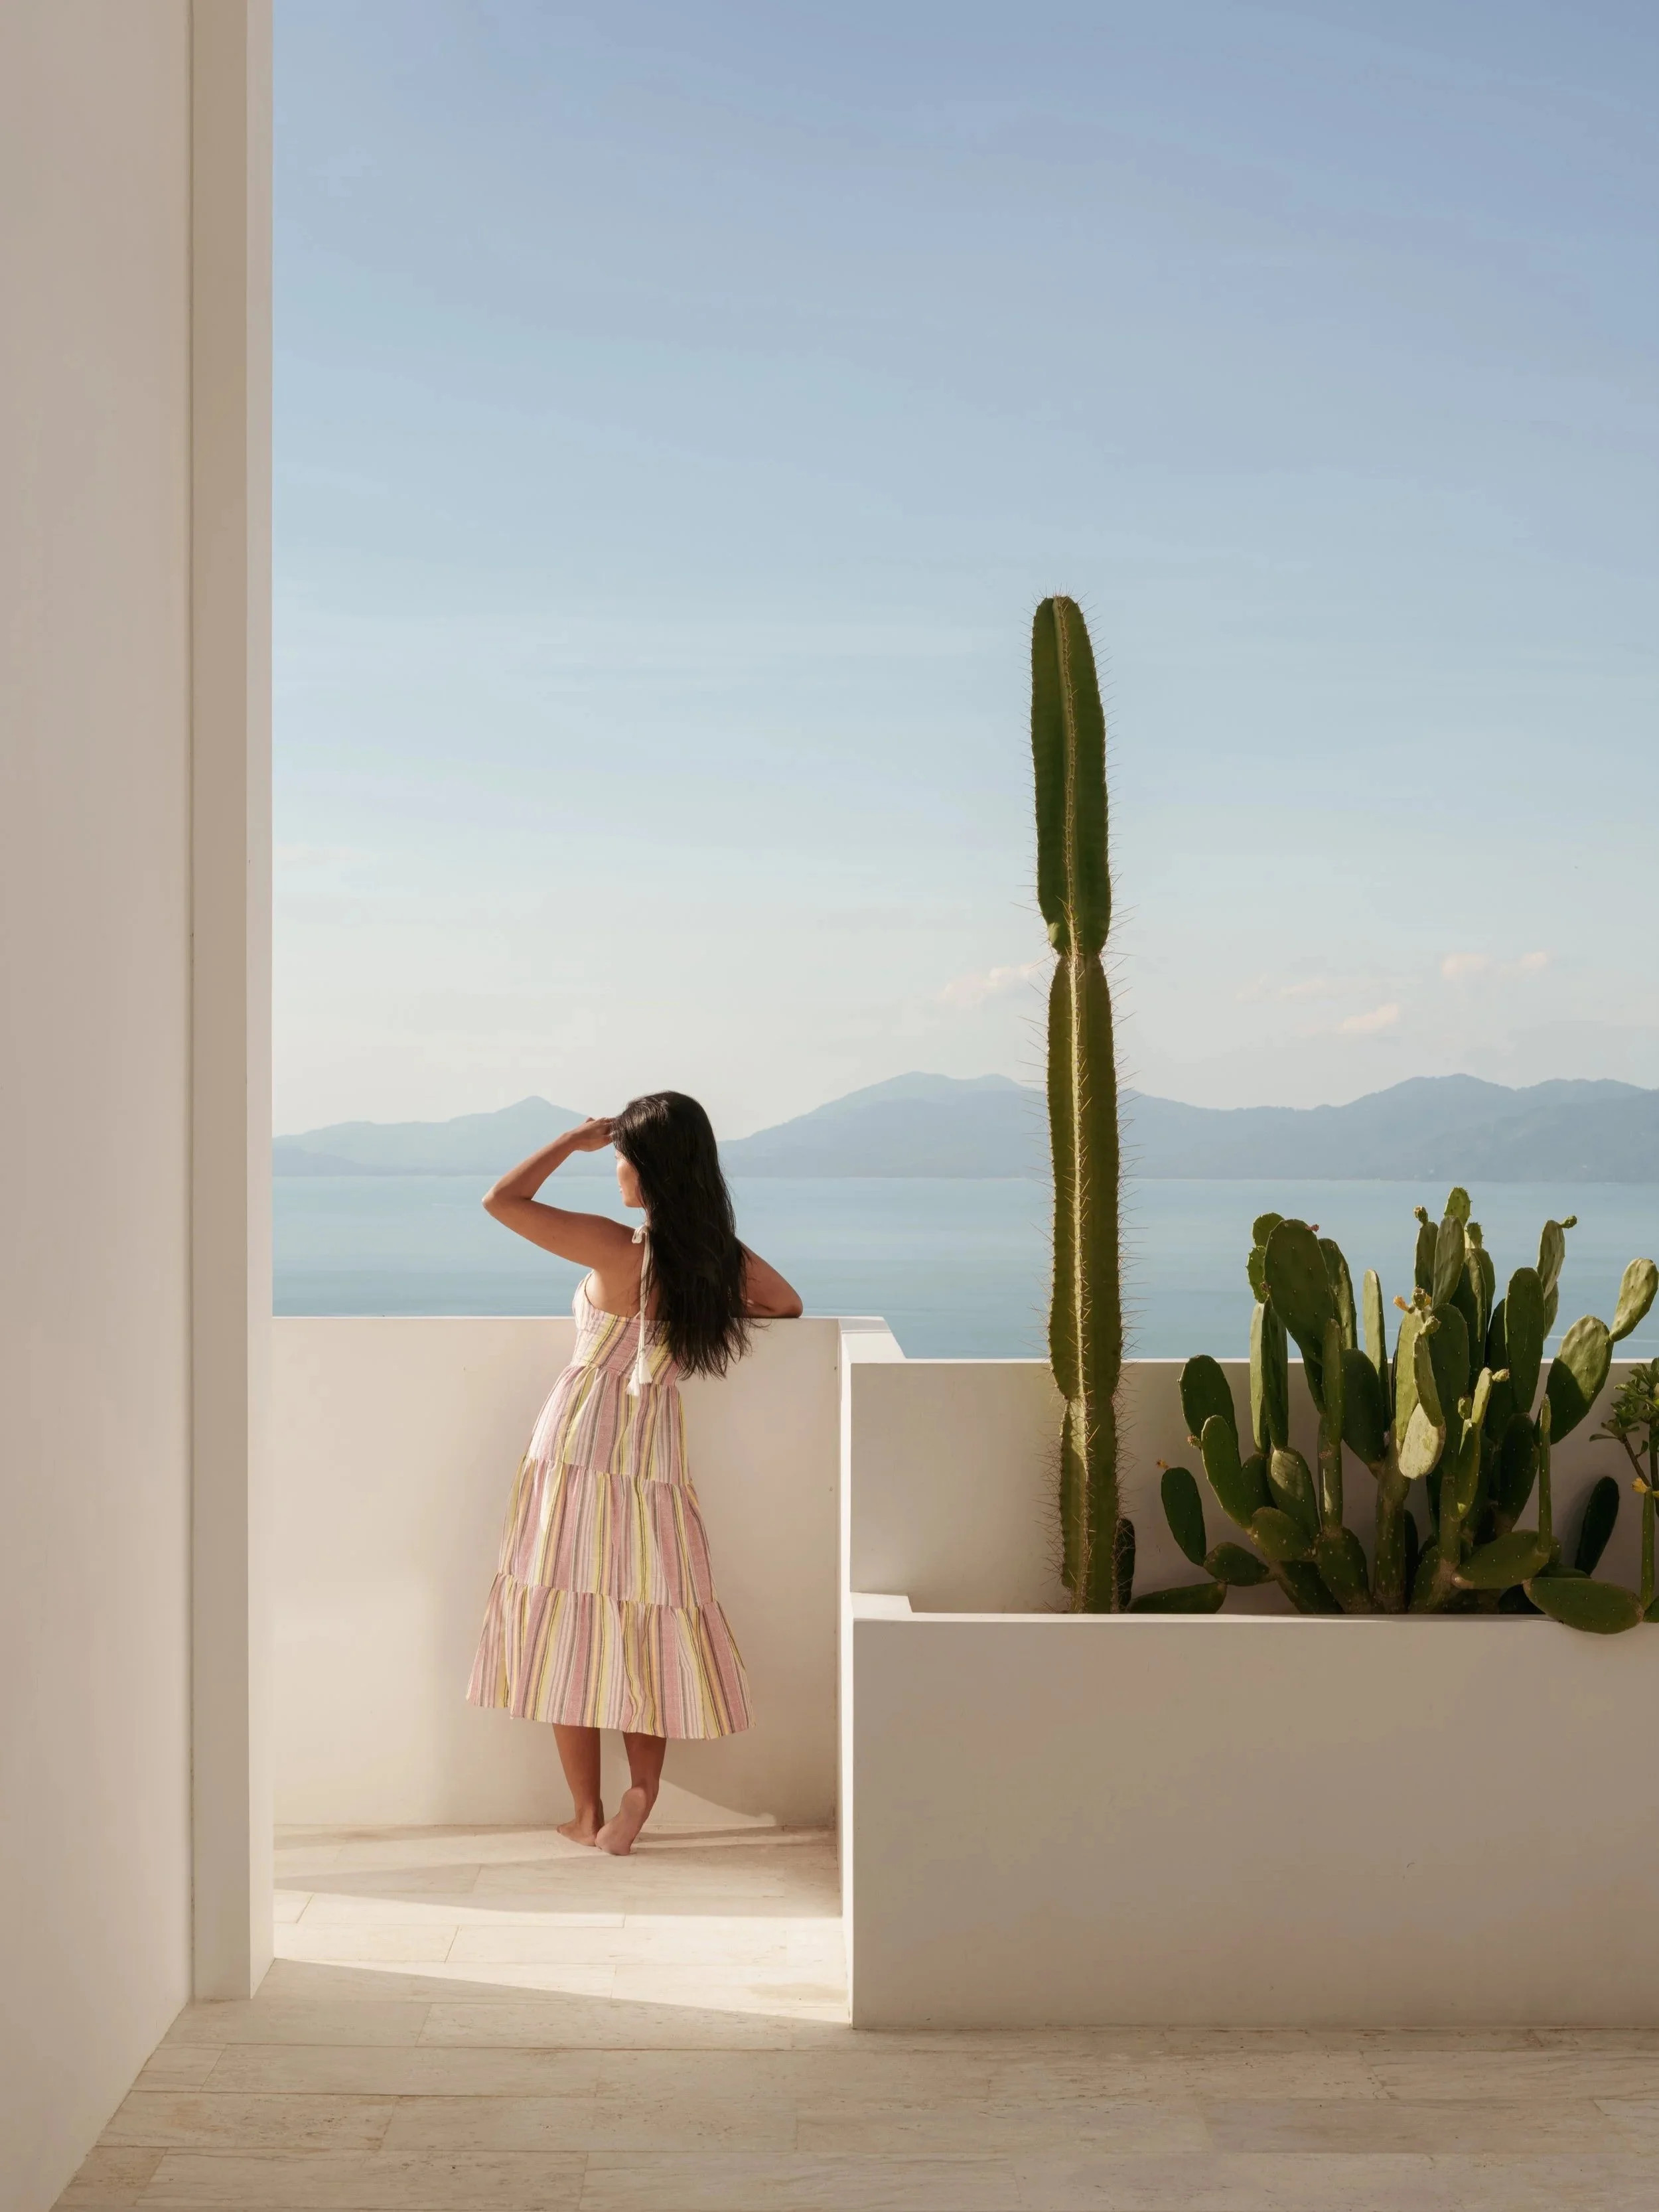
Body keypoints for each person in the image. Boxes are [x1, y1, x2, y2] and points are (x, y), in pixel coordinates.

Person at [466, 1091, 802, 1855]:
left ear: (646, 1167)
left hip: (577, 1440)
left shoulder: (614, 1248)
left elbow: (501, 1200)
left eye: (620, 1155)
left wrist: (567, 1140)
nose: (613, 1166)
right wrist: (702, 1308)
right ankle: (641, 1794)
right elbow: (786, 1305)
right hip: (651, 1449)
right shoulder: (712, 1259)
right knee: (649, 1609)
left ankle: (585, 1815)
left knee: (564, 1617)